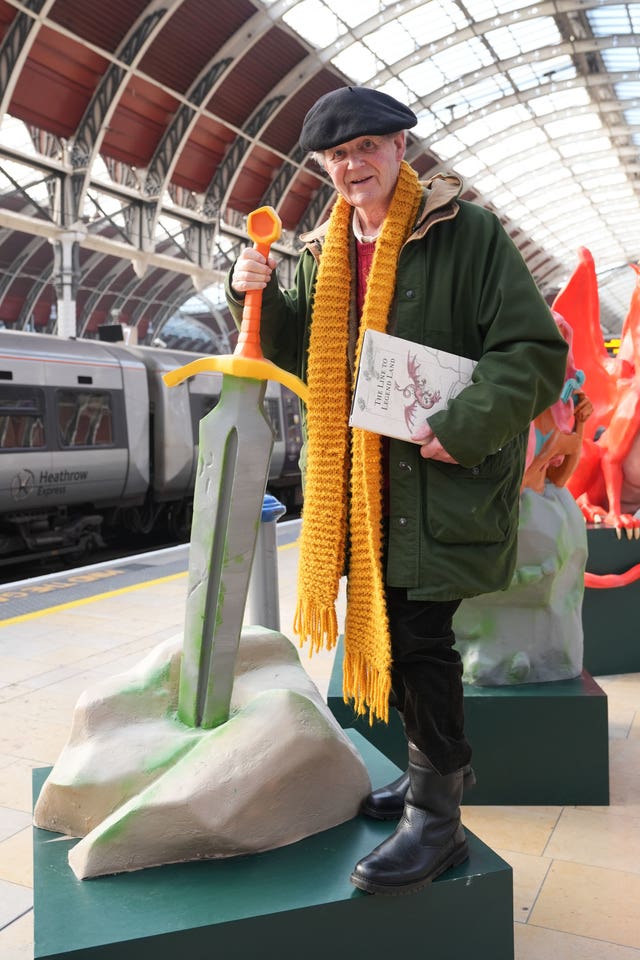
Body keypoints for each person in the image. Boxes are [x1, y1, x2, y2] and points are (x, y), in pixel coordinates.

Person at [226, 85, 568, 895]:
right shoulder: (320, 255)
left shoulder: (466, 233)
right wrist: (251, 288)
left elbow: (533, 349)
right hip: (364, 488)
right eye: (338, 156)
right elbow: (285, 348)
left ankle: (438, 822)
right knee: (411, 644)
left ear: (401, 148)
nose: (353, 166)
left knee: (419, 643)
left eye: (368, 148)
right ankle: (429, 784)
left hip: (439, 479)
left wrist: (469, 424)